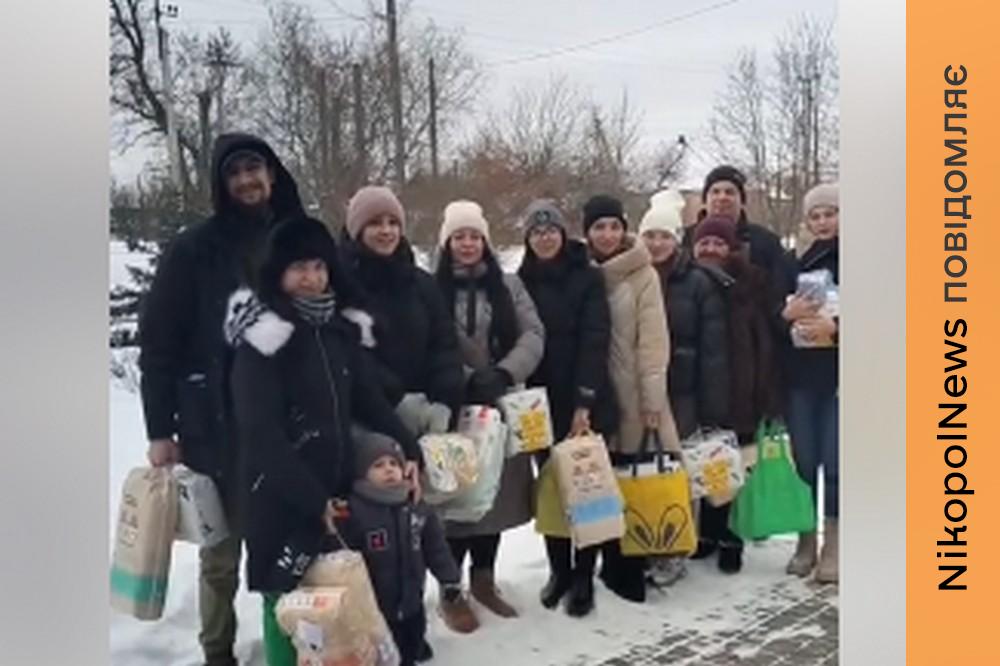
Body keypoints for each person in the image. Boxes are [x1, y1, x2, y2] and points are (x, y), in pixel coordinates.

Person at [224, 215, 423, 666]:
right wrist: (312, 500)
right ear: (278, 272)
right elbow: (259, 433)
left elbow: (368, 400)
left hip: (332, 491)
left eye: (318, 266)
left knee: (332, 607)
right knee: (287, 606)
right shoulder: (263, 338)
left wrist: (407, 447)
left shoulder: (335, 331)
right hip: (279, 496)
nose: (311, 278)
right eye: (298, 268)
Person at [138, 133, 305, 666]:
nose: (246, 180)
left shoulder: (297, 239)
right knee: (221, 552)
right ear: (221, 184)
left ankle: (293, 644)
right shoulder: (193, 250)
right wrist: (160, 429)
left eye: (254, 168)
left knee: (290, 544)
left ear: (272, 173)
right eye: (233, 173)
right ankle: (218, 651)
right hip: (217, 423)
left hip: (291, 421)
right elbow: (158, 343)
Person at [434, 200, 545, 630]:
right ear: (447, 243)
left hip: (500, 404)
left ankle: (484, 579)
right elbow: (428, 342)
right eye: (459, 237)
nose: (467, 244)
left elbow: (534, 332)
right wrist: (464, 377)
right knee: (455, 497)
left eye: (474, 236)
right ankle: (450, 589)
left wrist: (505, 371)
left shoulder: (510, 286)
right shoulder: (432, 288)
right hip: (454, 404)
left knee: (494, 497)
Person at [516, 199, 618, 617]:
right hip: (538, 404)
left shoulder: (587, 277)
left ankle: (583, 576)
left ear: (563, 234)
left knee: (587, 487)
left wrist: (585, 402)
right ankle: (558, 569)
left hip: (581, 397)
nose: (544, 238)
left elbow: (596, 338)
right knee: (552, 491)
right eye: (537, 232)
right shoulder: (519, 280)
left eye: (551, 230)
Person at [583, 194, 681, 603]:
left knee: (630, 474)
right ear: (586, 231)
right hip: (586, 389)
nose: (607, 234)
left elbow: (653, 343)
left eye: (614, 226)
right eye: (598, 227)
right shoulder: (579, 270)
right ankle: (590, 564)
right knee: (591, 481)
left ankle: (630, 560)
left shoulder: (643, 275)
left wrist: (652, 400)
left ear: (624, 229)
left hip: (631, 393)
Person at [639, 190, 730, 587]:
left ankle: (676, 546)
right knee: (644, 468)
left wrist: (712, 402)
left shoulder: (697, 282)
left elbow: (714, 349)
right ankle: (647, 540)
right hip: (642, 388)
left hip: (685, 388)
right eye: (650, 236)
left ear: (677, 240)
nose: (657, 244)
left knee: (678, 470)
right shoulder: (635, 278)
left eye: (664, 236)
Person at [690, 214, 782, 574]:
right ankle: (707, 534)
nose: (710, 249)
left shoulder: (751, 284)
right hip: (702, 386)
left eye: (717, 243)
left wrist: (767, 392)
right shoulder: (688, 281)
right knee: (708, 462)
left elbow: (766, 342)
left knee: (737, 466)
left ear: (731, 248)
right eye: (704, 243)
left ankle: (730, 536)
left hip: (742, 386)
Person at [339, 185, 464, 434]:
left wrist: (445, 399)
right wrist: (395, 399)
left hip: (428, 418)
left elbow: (444, 344)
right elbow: (349, 353)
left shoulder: (422, 283)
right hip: (368, 421)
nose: (386, 231)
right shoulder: (341, 285)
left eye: (393, 223)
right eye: (375, 223)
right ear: (357, 230)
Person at [339, 431, 463, 666]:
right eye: (378, 465)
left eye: (394, 463)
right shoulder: (355, 512)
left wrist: (450, 578)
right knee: (380, 655)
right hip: (374, 608)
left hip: (411, 601)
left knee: (410, 644)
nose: (389, 469)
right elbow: (346, 559)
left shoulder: (416, 505)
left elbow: (435, 547)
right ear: (361, 472)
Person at [782, 183, 840, 584]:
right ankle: (806, 538)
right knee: (803, 462)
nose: (822, 222)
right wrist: (786, 313)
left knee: (835, 462)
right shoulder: (795, 261)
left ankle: (835, 542)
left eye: (830, 213)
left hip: (841, 378)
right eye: (814, 215)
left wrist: (836, 327)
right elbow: (774, 312)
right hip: (800, 376)